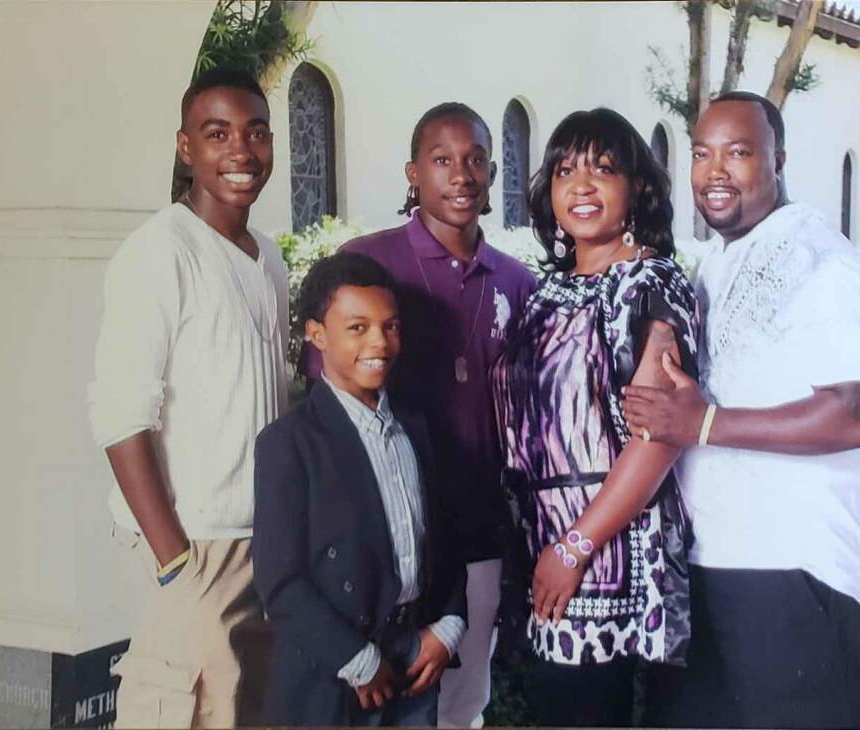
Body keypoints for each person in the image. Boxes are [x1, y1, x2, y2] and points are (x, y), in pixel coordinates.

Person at [624, 91, 860, 729]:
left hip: (793, 566)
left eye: (738, 153)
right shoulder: (713, 261)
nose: (714, 171)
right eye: (701, 154)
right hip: (706, 562)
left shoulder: (824, 261)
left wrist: (704, 423)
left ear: (779, 160)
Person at [301, 102, 536, 728]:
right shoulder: (368, 263)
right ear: (414, 173)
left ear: (492, 172)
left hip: (476, 534)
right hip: (377, 538)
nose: (461, 174)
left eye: (476, 159)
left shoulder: (517, 282)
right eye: (442, 160)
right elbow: (325, 409)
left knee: (461, 708)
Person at [87, 67, 288, 728]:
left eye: (256, 132)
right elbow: (121, 418)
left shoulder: (268, 259)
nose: (241, 151)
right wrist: (174, 558)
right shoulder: (159, 252)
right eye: (217, 133)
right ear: (185, 147)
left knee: (244, 712)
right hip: (192, 545)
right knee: (183, 711)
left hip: (260, 542)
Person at [489, 107, 700, 727]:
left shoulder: (649, 285)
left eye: (602, 170)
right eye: (564, 171)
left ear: (637, 188)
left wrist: (576, 545)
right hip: (542, 543)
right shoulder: (549, 289)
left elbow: (658, 434)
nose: (580, 186)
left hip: (603, 555)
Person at [253, 252, 467, 726]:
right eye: (357, 328)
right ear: (317, 335)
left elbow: (446, 537)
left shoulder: (417, 427)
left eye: (391, 327)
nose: (379, 342)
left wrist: (450, 624)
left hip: (415, 659)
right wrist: (357, 660)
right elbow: (280, 583)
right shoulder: (290, 444)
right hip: (334, 670)